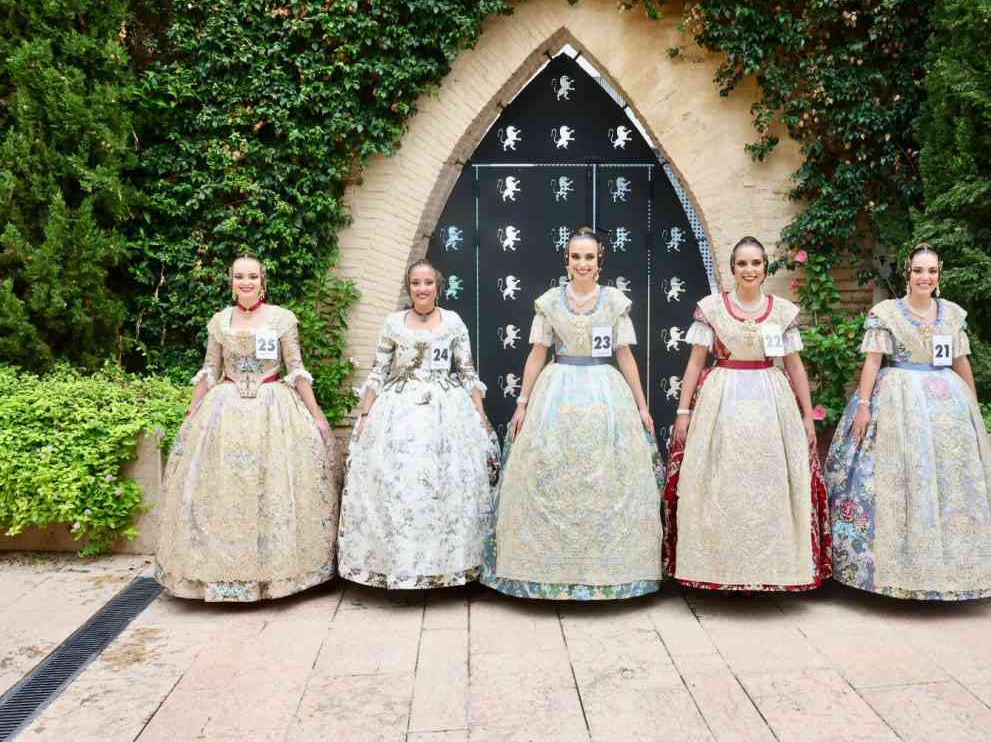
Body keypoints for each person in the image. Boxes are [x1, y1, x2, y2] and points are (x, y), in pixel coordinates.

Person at [481, 228, 664, 600]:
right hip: (557, 388)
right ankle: (543, 572)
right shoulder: (550, 302)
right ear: (566, 262)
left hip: (605, 392)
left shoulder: (614, 303)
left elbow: (625, 356)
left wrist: (642, 406)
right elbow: (537, 353)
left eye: (589, 257)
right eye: (576, 257)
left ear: (599, 262)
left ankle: (611, 571)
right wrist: (522, 403)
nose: (583, 263)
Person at [825, 243, 991, 600]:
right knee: (900, 477)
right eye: (918, 271)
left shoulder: (951, 315)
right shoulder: (886, 314)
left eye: (932, 271)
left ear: (939, 276)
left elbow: (961, 362)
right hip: (896, 404)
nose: (925, 277)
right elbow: (872, 361)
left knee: (947, 482)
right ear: (907, 274)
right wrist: (863, 405)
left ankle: (951, 569)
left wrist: (972, 407)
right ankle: (884, 570)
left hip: (945, 408)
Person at [155, 253, 338, 602]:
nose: (246, 282)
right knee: (224, 489)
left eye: (252, 276)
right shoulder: (219, 322)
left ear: (262, 281)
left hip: (272, 409)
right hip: (224, 409)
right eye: (239, 276)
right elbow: (210, 370)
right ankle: (222, 572)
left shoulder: (282, 319)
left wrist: (316, 414)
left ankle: (274, 576)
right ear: (231, 282)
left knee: (271, 487)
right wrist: (191, 412)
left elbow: (296, 368)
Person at [663, 236, 831, 590]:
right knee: (721, 480)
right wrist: (683, 410)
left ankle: (772, 570)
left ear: (765, 268)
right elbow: (694, 363)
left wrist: (806, 414)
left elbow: (795, 366)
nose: (749, 270)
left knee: (769, 481)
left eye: (756, 263)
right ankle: (718, 569)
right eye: (742, 263)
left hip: (772, 402)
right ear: (732, 268)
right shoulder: (712, 309)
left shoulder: (782, 312)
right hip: (722, 400)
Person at [337, 260, 499, 589]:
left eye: (427, 283)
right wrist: (365, 415)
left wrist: (480, 416)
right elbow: (378, 371)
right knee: (401, 484)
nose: (421, 288)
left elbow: (466, 371)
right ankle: (402, 565)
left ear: (438, 286)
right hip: (398, 409)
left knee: (445, 486)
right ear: (408, 287)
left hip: (446, 409)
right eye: (415, 283)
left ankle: (447, 566)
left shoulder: (452, 322)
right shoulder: (393, 323)